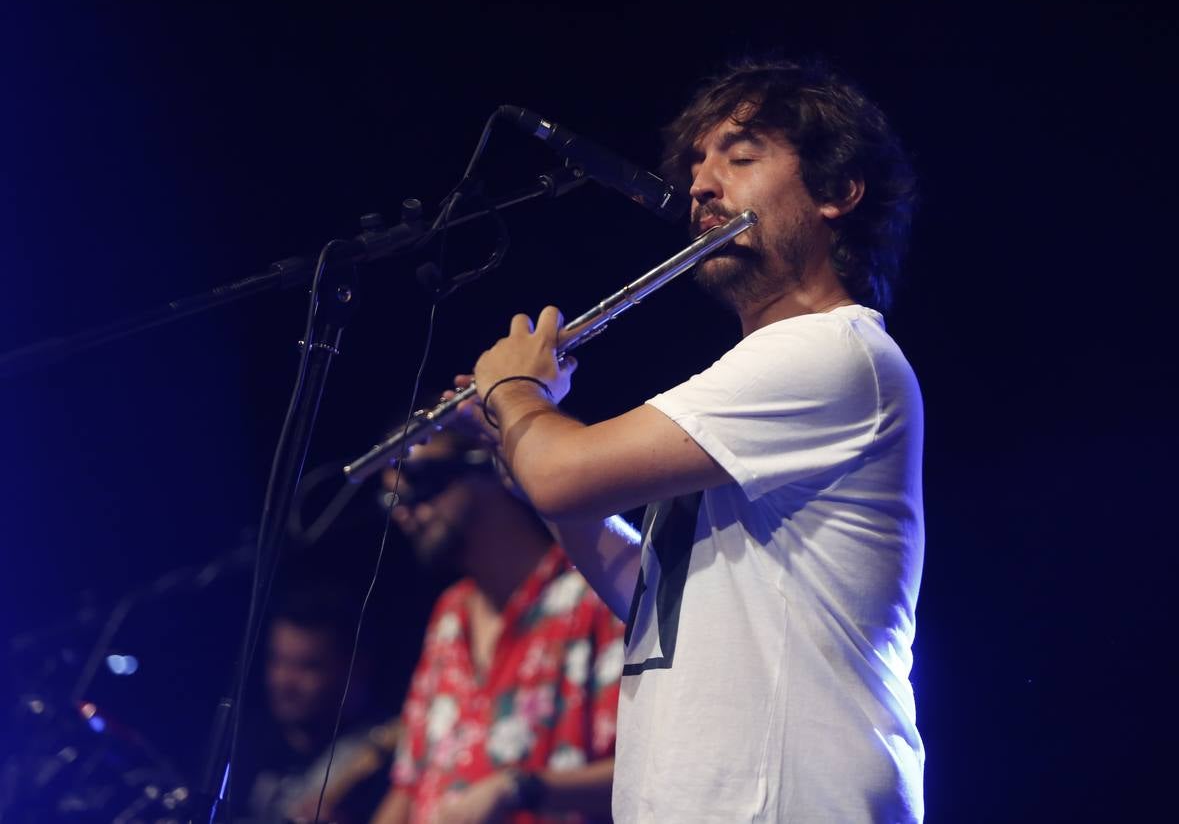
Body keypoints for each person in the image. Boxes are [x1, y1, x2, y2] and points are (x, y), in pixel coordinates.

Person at [459, 58, 925, 822]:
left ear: (840, 192)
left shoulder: (832, 353)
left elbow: (562, 474)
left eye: (740, 159)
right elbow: (648, 597)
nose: (702, 188)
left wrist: (518, 395)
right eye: (698, 167)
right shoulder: (754, 379)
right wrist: (511, 433)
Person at [370, 427, 625, 824]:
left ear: (491, 465)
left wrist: (519, 787)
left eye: (420, 482)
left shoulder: (597, 597)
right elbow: (410, 783)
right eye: (393, 498)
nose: (404, 511)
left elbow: (645, 772)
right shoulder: (450, 613)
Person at [234, 583, 395, 824]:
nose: (283, 680)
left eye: (307, 666)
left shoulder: (387, 758)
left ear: (354, 668)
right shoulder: (244, 741)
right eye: (277, 660)